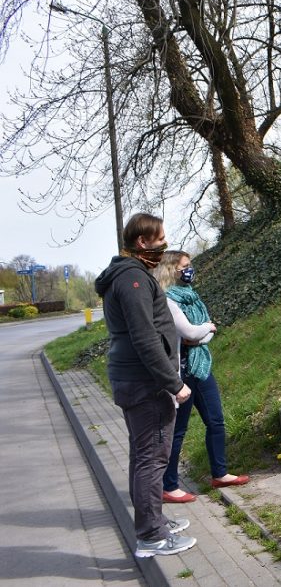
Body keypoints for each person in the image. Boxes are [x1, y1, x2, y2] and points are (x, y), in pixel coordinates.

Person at [94, 213, 197, 558]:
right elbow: (144, 336)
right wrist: (173, 382)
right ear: (143, 242)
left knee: (144, 458)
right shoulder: (132, 279)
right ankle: (151, 536)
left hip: (138, 380)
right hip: (146, 383)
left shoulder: (130, 274)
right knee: (152, 459)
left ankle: (154, 523)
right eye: (161, 238)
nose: (165, 244)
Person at [154, 250, 249, 504]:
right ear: (172, 270)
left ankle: (220, 473)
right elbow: (189, 331)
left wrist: (202, 332)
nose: (190, 269)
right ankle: (169, 485)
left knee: (216, 420)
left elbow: (199, 333)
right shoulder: (167, 300)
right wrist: (205, 329)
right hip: (182, 371)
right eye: (185, 266)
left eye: (189, 265)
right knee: (179, 430)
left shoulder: (192, 297)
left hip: (201, 366)